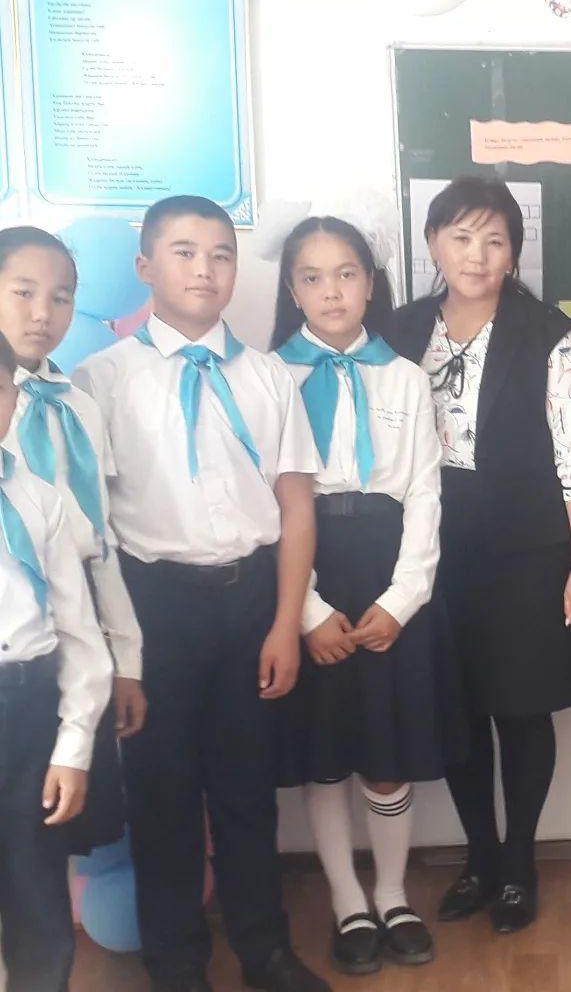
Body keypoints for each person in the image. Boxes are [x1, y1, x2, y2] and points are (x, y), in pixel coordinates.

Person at [75, 196, 328, 992]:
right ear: (145, 267)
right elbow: (92, 528)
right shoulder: (100, 381)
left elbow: (296, 508)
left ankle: (266, 951)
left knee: (249, 790)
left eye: (221, 254)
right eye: (184, 252)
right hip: (152, 608)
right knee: (163, 796)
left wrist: (285, 624)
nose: (205, 269)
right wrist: (118, 652)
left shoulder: (267, 376)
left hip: (250, 600)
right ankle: (178, 963)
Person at [390, 176, 571, 933]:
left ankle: (519, 863)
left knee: (520, 709)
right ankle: (478, 857)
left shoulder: (546, 332)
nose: (476, 255)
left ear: (514, 251)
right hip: (430, 550)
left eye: (494, 240)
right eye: (460, 237)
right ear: (432, 244)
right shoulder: (399, 331)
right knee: (457, 710)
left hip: (526, 549)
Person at [271, 215, 465, 974]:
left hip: (389, 574)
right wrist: (307, 612)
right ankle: (347, 899)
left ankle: (392, 893)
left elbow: (424, 492)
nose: (331, 291)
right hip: (307, 570)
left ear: (371, 283)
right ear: (292, 290)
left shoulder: (405, 376)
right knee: (326, 757)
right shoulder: (266, 377)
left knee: (387, 755)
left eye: (346, 273)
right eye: (313, 277)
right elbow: (265, 504)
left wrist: (403, 598)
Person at [0, 225, 145, 857]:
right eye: (23, 291)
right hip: (16, 629)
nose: (43, 313)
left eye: (61, 297)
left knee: (50, 825)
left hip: (75, 626)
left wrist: (126, 660)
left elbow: (99, 540)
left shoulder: (78, 405)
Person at [0, 329, 113, 992]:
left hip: (28, 710)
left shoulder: (39, 499)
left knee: (36, 883)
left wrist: (73, 749)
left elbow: (79, 637)